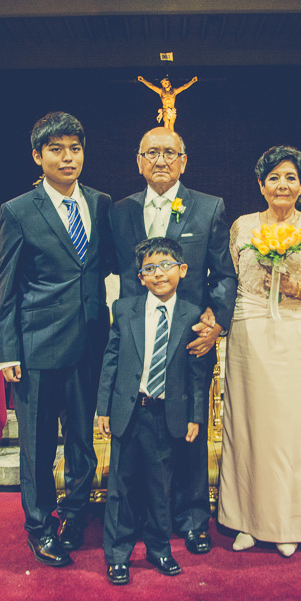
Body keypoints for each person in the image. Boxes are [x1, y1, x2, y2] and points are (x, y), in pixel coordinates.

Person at [0, 112, 114, 567]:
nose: (68, 158)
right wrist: (7, 349)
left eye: (75, 149)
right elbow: (8, 286)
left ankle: (75, 516)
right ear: (37, 156)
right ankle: (40, 526)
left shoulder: (101, 203)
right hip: (38, 347)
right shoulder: (18, 210)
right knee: (38, 446)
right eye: (56, 149)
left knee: (83, 442)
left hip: (89, 344)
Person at [110, 126, 237, 555]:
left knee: (189, 432)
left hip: (188, 340)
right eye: (151, 153)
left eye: (169, 152)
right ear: (138, 161)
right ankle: (140, 517)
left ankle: (192, 518)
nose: (160, 160)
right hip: (137, 340)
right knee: (137, 433)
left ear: (184, 161)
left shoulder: (208, 207)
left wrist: (216, 323)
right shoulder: (121, 211)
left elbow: (223, 275)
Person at [218, 145, 301, 557]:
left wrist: (294, 287)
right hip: (249, 328)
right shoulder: (242, 226)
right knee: (247, 425)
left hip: (298, 332)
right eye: (274, 178)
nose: (282, 185)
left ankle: (290, 522)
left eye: (290, 177)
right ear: (261, 184)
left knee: (292, 429)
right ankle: (245, 519)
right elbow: (230, 281)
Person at [97, 238, 207, 586]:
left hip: (166, 414)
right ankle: (118, 555)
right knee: (121, 487)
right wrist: (103, 408)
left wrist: (195, 415)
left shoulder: (192, 314)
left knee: (161, 486)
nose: (158, 273)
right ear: (140, 277)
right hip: (129, 412)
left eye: (166, 265)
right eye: (149, 268)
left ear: (182, 270)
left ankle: (159, 548)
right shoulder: (124, 309)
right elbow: (111, 361)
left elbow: (198, 373)